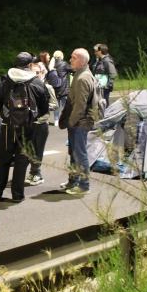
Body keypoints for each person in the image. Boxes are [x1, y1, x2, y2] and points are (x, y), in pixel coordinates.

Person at [0, 52, 50, 202]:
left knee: (3, 159)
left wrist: (7, 113)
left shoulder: (4, 80)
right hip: (29, 127)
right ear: (30, 65)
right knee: (22, 160)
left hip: (8, 126)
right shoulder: (37, 82)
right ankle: (17, 195)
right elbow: (44, 107)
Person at [62, 48, 97, 195]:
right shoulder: (81, 74)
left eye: (73, 57)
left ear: (83, 61)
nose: (70, 60)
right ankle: (73, 181)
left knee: (79, 154)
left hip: (79, 123)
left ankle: (83, 186)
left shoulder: (83, 78)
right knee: (74, 153)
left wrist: (71, 121)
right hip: (79, 122)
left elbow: (80, 106)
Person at [26, 61, 58, 186]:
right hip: (29, 123)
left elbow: (55, 105)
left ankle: (37, 173)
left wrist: (41, 107)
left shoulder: (48, 88)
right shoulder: (27, 87)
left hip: (41, 123)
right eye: (32, 73)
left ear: (42, 73)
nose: (35, 75)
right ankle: (33, 172)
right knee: (29, 150)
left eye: (37, 72)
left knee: (38, 150)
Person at [51, 50, 71, 125]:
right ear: (61, 56)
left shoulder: (51, 64)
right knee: (64, 105)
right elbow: (72, 70)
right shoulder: (64, 63)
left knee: (56, 105)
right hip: (64, 86)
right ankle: (63, 119)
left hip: (55, 87)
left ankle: (56, 120)